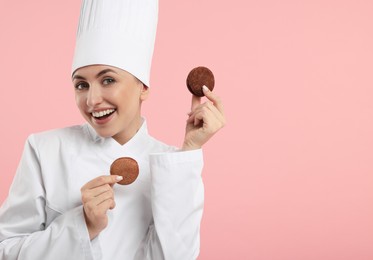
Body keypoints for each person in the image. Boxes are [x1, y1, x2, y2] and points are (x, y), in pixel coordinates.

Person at [0, 0, 225, 259]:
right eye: (81, 85)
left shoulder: (171, 166)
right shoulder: (45, 150)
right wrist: (81, 225)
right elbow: (6, 249)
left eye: (108, 80)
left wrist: (190, 150)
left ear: (144, 87)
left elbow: (174, 255)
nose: (92, 100)